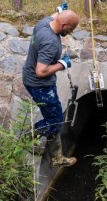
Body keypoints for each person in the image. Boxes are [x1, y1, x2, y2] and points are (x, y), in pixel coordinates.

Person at [22, 9, 80, 167]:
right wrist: (62, 64)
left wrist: (58, 10)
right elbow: (41, 71)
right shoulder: (51, 43)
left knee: (54, 116)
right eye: (70, 28)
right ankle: (28, 136)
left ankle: (56, 157)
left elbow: (54, 16)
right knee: (55, 121)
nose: (70, 32)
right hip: (40, 85)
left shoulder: (43, 24)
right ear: (63, 24)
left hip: (30, 78)